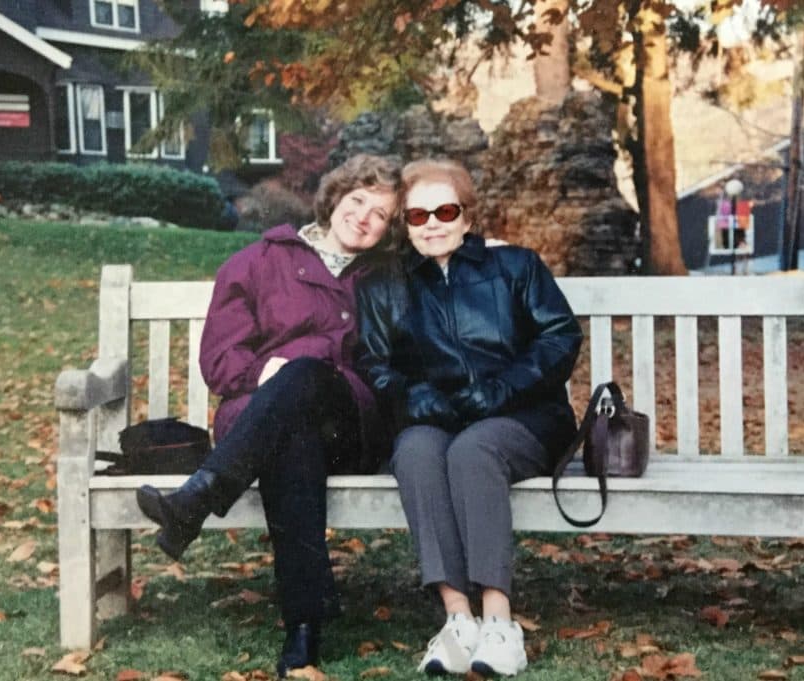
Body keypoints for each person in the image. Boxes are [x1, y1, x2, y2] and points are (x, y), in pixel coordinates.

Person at [135, 154, 401, 677]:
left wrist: (304, 366)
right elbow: (219, 359)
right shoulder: (257, 261)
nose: (365, 217)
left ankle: (201, 495)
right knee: (291, 434)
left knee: (305, 374)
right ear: (335, 197)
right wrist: (267, 375)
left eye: (382, 214)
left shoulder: (387, 277)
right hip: (262, 420)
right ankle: (304, 628)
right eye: (358, 201)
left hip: (348, 425)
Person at [354, 159, 582, 677]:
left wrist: (503, 387)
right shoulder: (382, 286)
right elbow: (371, 363)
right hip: (437, 416)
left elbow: (560, 336)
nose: (432, 223)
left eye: (445, 210)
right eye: (417, 216)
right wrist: (413, 397)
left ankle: (499, 622)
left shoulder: (516, 267)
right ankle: (459, 619)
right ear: (405, 225)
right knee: (413, 451)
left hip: (523, 417)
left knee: (473, 449)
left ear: (467, 216)